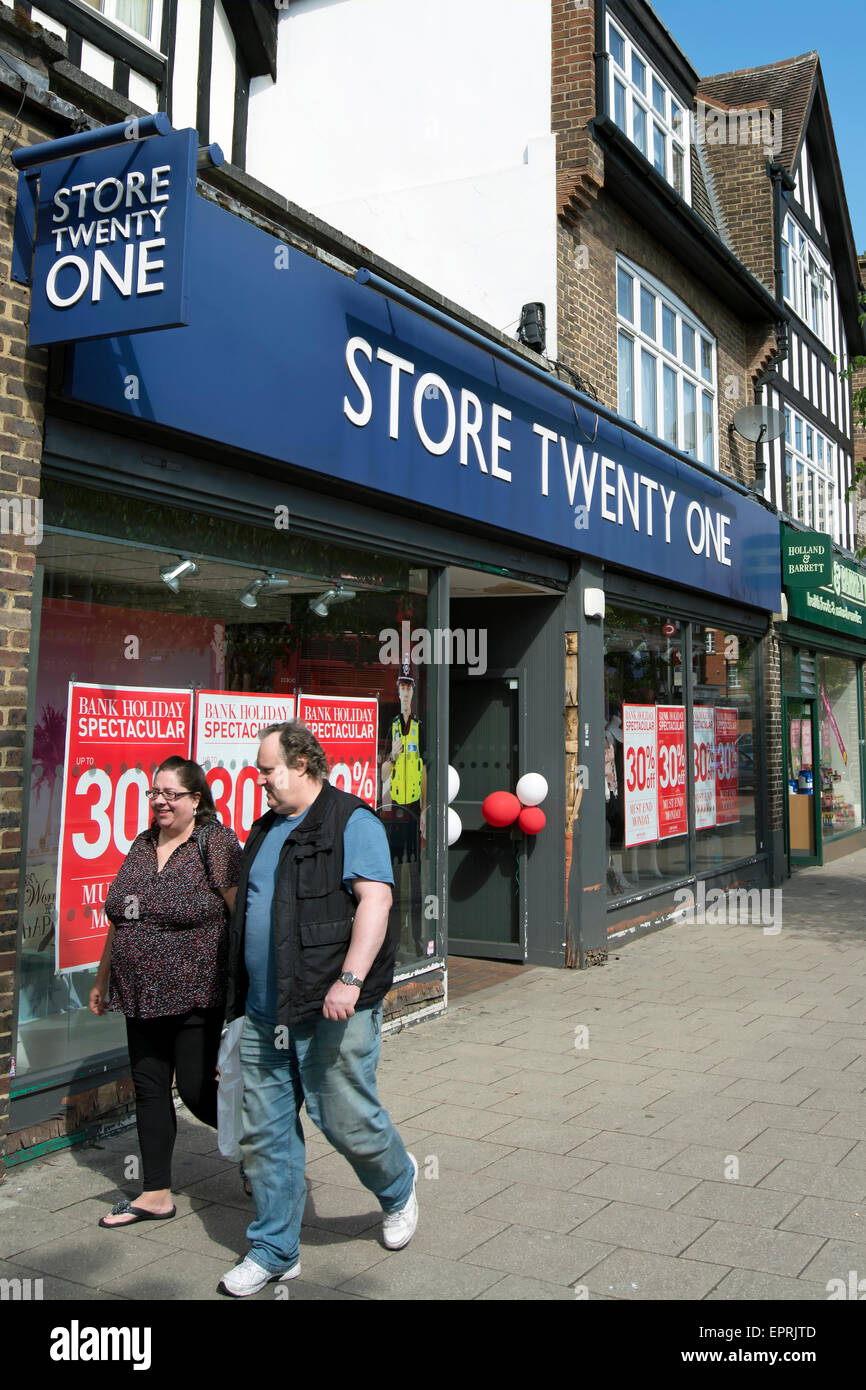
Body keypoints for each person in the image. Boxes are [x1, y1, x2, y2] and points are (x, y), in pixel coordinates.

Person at [218, 719, 417, 1297]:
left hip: (330, 1006)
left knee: (345, 1118)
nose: (260, 780)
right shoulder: (265, 828)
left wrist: (349, 981)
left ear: (301, 764)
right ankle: (275, 1248)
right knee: (267, 1132)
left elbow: (375, 902)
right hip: (263, 1011)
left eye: (267, 770)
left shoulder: (352, 820)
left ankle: (399, 1189)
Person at [90, 756, 242, 1227]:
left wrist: (249, 987)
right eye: (154, 792)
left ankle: (262, 1142)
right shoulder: (140, 844)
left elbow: (241, 915)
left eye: (170, 794)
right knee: (150, 1089)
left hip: (197, 991)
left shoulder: (214, 842)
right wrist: (102, 978)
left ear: (196, 800)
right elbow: (122, 916)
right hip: (139, 994)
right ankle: (155, 1193)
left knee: (197, 1091)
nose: (159, 801)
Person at [380, 662, 426, 958]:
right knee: (395, 878)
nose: (405, 690)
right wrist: (393, 757)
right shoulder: (392, 725)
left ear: (414, 690)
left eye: (409, 686)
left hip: (414, 812)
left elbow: (425, 770)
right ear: (397, 690)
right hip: (395, 811)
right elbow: (382, 773)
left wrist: (425, 811)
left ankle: (420, 939)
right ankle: (395, 942)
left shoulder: (421, 725)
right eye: (402, 685)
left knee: (417, 879)